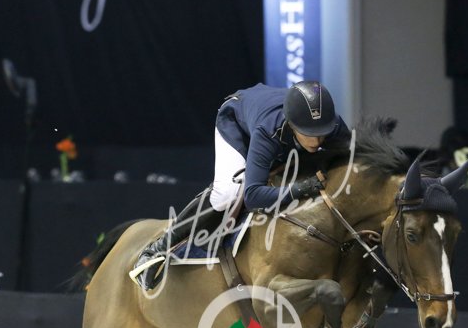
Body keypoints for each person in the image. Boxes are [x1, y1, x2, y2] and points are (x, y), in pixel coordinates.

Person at [133, 81, 351, 290]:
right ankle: (157, 249)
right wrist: (300, 189)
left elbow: (354, 161)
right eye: (309, 134)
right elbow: (253, 196)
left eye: (321, 133)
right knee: (228, 193)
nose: (316, 142)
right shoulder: (268, 131)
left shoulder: (330, 125)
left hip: (273, 125)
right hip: (237, 123)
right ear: (292, 124)